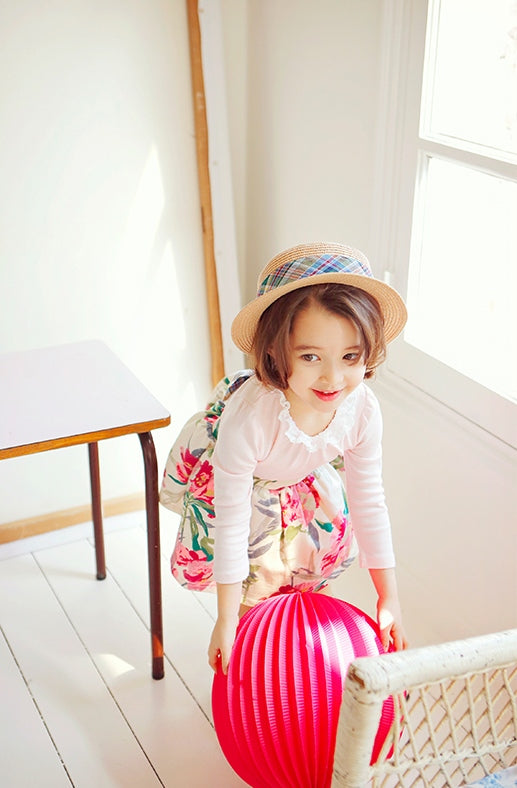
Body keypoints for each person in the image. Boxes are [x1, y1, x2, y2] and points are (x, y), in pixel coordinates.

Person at [160, 241, 409, 675]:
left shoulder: (362, 409)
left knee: (310, 584)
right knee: (256, 602)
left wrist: (389, 596)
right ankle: (256, 678)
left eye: (350, 357)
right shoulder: (252, 419)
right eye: (310, 357)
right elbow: (231, 522)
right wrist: (225, 619)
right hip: (243, 490)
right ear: (275, 350)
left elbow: (369, 499)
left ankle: (309, 677)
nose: (332, 378)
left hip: (303, 484)